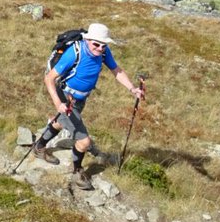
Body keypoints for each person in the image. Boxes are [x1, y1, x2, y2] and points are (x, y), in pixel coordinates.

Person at [33, 22, 144, 189]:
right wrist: (58, 103)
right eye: (96, 44)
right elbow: (49, 78)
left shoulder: (104, 52)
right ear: (87, 40)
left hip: (80, 98)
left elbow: (116, 70)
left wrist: (132, 89)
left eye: (103, 45)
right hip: (66, 98)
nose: (100, 48)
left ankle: (39, 147)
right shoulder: (74, 52)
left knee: (60, 122)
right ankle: (77, 172)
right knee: (84, 142)